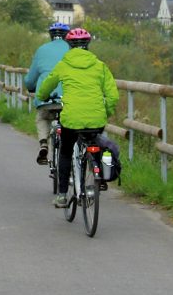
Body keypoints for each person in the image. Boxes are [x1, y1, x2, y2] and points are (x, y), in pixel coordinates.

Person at [37, 28, 118, 208]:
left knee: (66, 152)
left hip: (71, 119)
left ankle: (62, 196)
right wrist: (105, 112)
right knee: (95, 143)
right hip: (96, 119)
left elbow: (47, 85)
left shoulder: (64, 65)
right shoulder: (100, 65)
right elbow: (113, 96)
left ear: (69, 45)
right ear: (88, 45)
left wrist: (42, 96)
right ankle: (98, 176)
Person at [24, 22, 70, 164]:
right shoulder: (72, 50)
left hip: (47, 98)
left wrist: (31, 87)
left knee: (42, 118)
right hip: (69, 99)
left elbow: (30, 79)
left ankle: (44, 143)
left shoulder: (42, 50)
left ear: (51, 35)